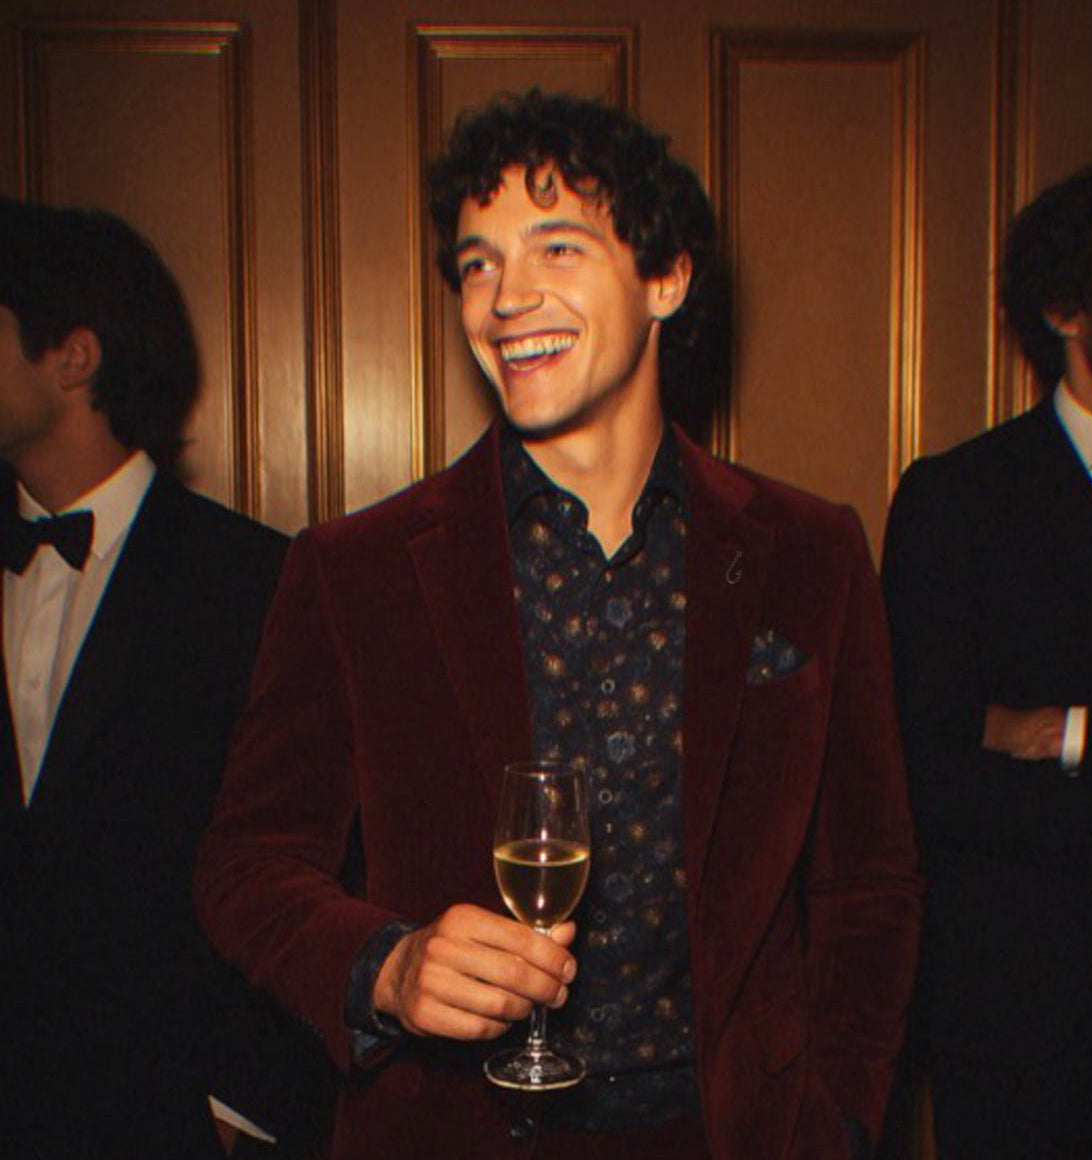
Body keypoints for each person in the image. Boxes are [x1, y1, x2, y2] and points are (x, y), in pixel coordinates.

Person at [195, 89, 920, 1160]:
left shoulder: (812, 552)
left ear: (666, 278)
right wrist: (385, 967)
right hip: (450, 1133)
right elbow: (246, 863)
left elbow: (869, 883)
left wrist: (840, 1121)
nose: (505, 298)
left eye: (557, 248)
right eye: (477, 263)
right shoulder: (353, 569)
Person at [0, 199, 322, 1159]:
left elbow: (304, 858)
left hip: (166, 1114)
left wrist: (244, 1101)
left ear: (73, 357)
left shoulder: (257, 580)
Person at [881, 157, 1092, 1160]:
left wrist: (1065, 732)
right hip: (1020, 1032)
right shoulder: (956, 501)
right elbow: (920, 764)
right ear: (1062, 306)